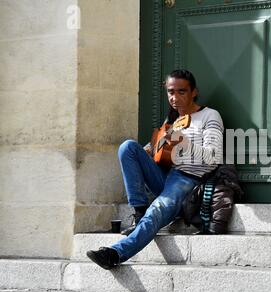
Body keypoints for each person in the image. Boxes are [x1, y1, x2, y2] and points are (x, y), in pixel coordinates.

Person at [86, 69, 224, 269]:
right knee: (128, 147)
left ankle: (115, 253)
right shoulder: (172, 121)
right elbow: (155, 152)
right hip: (166, 176)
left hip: (188, 180)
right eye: (170, 92)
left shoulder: (210, 115)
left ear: (194, 92)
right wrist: (147, 152)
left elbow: (213, 156)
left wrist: (184, 143)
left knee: (158, 210)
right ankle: (140, 211)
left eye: (181, 91)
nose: (174, 97)